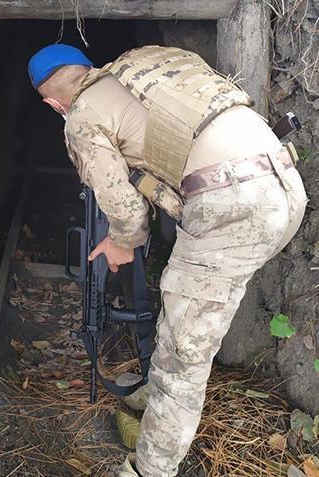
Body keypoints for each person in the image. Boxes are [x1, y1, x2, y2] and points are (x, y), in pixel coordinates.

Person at [27, 44, 308, 476]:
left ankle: (150, 469)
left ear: (52, 103)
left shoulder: (81, 113)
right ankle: (155, 393)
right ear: (87, 66)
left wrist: (121, 242)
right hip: (284, 185)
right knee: (186, 319)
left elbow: (124, 207)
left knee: (184, 359)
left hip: (229, 205)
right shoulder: (150, 66)